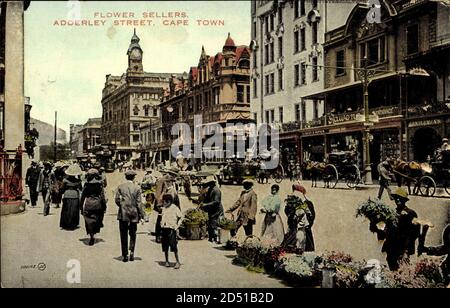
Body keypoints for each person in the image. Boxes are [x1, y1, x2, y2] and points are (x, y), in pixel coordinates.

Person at [371, 188, 420, 271]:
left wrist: (406, 251)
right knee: (393, 270)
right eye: (396, 198)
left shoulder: (411, 213)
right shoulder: (391, 213)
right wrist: (375, 224)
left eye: (400, 198)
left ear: (405, 200)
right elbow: (386, 231)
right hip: (391, 249)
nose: (397, 200)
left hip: (403, 248)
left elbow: (413, 234)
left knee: (403, 272)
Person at [115, 170, 146, 262]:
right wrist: (142, 214)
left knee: (123, 234)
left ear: (125, 177)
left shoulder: (120, 187)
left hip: (123, 213)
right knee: (133, 233)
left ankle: (124, 255)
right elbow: (139, 203)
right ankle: (132, 251)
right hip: (134, 213)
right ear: (134, 177)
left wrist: (121, 205)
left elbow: (116, 199)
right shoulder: (137, 188)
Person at [281, 184, 312, 252]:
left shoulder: (307, 203)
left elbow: (311, 216)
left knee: (302, 241)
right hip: (293, 226)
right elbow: (287, 212)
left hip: (303, 227)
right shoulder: (291, 203)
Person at [81, 169, 107, 246]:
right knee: (97, 219)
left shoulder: (86, 185)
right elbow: (102, 197)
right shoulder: (99, 185)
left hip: (88, 204)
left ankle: (91, 235)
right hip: (97, 204)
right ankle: (94, 232)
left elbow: (82, 197)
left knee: (88, 221)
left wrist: (80, 207)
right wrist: (104, 206)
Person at [195, 176, 223, 243]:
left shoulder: (216, 190)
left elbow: (216, 201)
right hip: (211, 209)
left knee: (214, 224)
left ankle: (216, 238)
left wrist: (205, 204)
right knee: (210, 223)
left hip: (217, 210)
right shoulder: (210, 189)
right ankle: (211, 238)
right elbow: (206, 199)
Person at [160, 193, 183, 269]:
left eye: (164, 202)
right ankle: (166, 261)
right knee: (165, 246)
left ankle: (177, 262)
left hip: (171, 229)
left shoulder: (174, 208)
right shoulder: (164, 208)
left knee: (174, 246)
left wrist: (177, 226)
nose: (163, 203)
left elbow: (181, 217)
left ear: (169, 201)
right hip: (164, 229)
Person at [60, 164, 83, 231]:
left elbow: (62, 189)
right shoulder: (78, 181)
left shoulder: (65, 180)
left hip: (67, 195)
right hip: (75, 195)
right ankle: (73, 224)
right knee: (74, 210)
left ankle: (65, 224)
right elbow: (80, 188)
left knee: (66, 210)